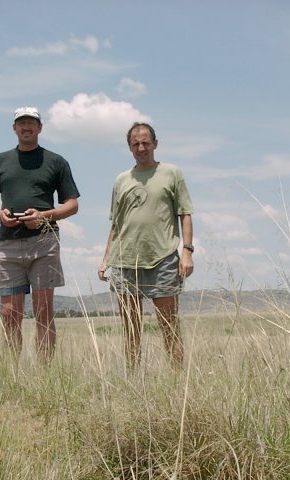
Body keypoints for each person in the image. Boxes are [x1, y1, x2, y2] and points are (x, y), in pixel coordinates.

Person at [0, 106, 80, 363]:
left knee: (43, 311)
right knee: (9, 312)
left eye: (31, 123)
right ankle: (12, 371)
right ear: (14, 128)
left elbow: (72, 205)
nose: (26, 127)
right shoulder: (0, 161)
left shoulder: (56, 161)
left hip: (44, 243)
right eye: (21, 122)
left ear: (40, 128)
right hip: (8, 244)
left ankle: (44, 373)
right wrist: (0, 214)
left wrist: (44, 216)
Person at [98, 122, 194, 369]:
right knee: (131, 329)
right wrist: (105, 258)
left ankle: (176, 383)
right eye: (135, 144)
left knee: (169, 325)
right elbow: (116, 223)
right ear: (129, 147)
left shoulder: (172, 173)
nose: (141, 148)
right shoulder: (122, 180)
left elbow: (185, 213)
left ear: (155, 144)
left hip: (162, 258)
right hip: (125, 259)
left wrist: (187, 252)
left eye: (145, 143)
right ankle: (133, 382)